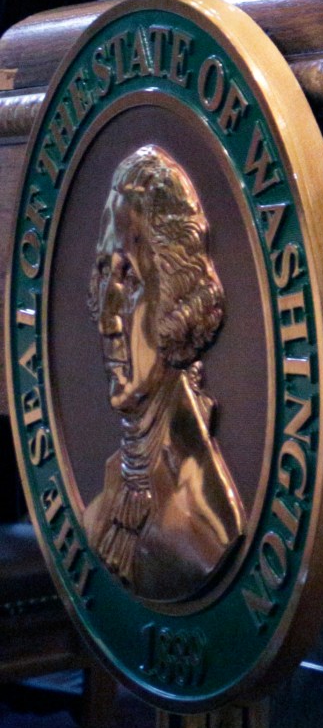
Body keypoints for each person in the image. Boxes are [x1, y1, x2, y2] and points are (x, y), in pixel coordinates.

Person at [83, 144, 246, 603]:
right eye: (103, 274)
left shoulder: (204, 524)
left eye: (130, 279)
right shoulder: (104, 504)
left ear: (176, 297)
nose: (108, 318)